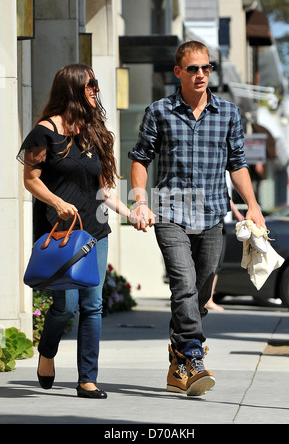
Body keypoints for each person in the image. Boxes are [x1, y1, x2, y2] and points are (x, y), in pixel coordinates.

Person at [128, 41, 265, 397]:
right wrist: (140, 201)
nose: (201, 74)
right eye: (193, 69)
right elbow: (141, 158)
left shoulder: (229, 113)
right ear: (178, 72)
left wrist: (252, 205)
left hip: (211, 215)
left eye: (206, 68)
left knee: (200, 292)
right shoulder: (159, 111)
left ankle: (177, 364)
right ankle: (193, 354)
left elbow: (237, 163)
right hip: (170, 212)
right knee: (184, 285)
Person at [17, 64, 130, 399]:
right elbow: (30, 179)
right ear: (73, 89)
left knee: (93, 304)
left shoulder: (95, 133)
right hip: (60, 232)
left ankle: (87, 379)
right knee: (65, 306)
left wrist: (131, 213)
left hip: (94, 230)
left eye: (96, 83)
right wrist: (57, 202)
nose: (96, 89)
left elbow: (105, 189)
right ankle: (47, 351)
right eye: (91, 84)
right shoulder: (44, 133)